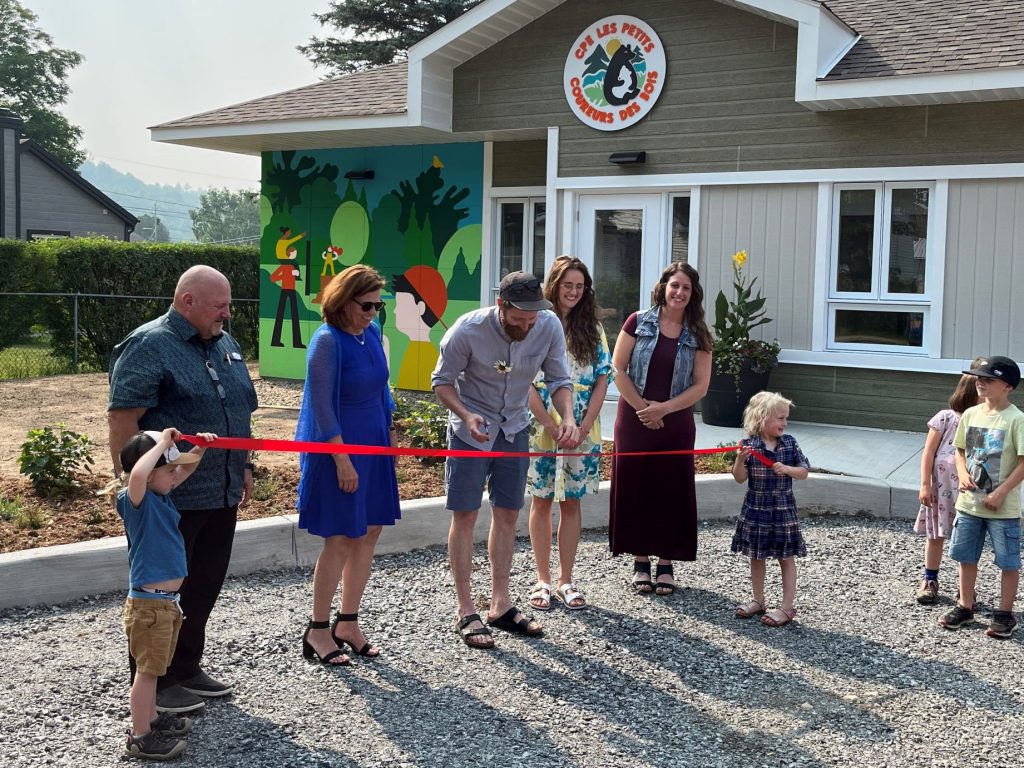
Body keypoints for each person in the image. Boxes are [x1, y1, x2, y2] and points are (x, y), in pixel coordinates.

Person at [108, 265, 258, 714]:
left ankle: (187, 666)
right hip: (173, 497)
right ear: (187, 302)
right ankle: (156, 682)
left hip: (222, 488)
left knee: (204, 585)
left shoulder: (223, 343)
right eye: (220, 306)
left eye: (229, 305)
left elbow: (240, 411)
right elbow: (123, 420)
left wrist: (244, 464)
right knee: (163, 593)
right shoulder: (149, 345)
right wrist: (136, 487)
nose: (228, 315)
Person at [432, 271, 579, 649]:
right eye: (519, 319)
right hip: (470, 431)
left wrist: (568, 417)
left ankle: (500, 604)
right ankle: (465, 608)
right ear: (502, 305)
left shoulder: (547, 326)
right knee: (465, 514)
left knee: (508, 514)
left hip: (514, 428)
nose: (527, 327)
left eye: (532, 319)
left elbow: (559, 381)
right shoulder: (467, 331)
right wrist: (465, 414)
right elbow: (441, 382)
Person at [295, 265, 401, 665]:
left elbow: (381, 389)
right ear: (344, 301)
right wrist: (342, 459)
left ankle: (348, 622)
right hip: (340, 448)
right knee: (340, 537)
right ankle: (317, 629)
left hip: (373, 444)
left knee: (369, 532)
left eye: (379, 305)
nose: (374, 312)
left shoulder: (370, 333)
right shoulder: (326, 341)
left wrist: (390, 429)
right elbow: (321, 407)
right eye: (367, 305)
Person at [609, 262, 712, 596]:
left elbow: (701, 386)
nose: (679, 292)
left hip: (675, 421)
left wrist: (663, 409)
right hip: (635, 419)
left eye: (686, 287)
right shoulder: (637, 322)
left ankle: (666, 562)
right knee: (636, 486)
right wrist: (644, 409)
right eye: (674, 285)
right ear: (663, 287)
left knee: (670, 489)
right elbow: (617, 369)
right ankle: (640, 561)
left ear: (692, 293)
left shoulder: (699, 335)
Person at [117, 428, 213, 761]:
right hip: (149, 606)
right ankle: (140, 735)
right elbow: (139, 475)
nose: (176, 477)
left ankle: (153, 720)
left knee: (155, 669)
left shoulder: (161, 496)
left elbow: (183, 469)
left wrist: (198, 447)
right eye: (168, 471)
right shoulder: (136, 501)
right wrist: (161, 444)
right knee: (146, 673)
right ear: (149, 470)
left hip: (166, 605)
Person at [526, 256, 612, 612]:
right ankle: (542, 579)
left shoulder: (592, 328)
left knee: (571, 502)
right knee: (542, 500)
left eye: (579, 286)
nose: (574, 292)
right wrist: (550, 423)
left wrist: (583, 425)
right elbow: (524, 379)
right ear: (554, 286)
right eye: (567, 285)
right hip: (542, 425)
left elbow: (603, 377)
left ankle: (566, 579)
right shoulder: (536, 323)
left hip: (582, 429)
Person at [940, 356, 1024, 639]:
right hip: (970, 505)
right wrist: (962, 473)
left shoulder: (1016, 420)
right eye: (978, 378)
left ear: (1008, 386)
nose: (980, 382)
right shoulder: (971, 414)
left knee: (1008, 561)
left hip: (1002, 508)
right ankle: (965, 605)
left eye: (988, 379)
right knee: (966, 556)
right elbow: (960, 450)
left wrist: (1001, 492)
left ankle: (1004, 613)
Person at [730, 392, 810, 627]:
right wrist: (739, 461)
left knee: (786, 557)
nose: (784, 423)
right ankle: (758, 599)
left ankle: (786, 607)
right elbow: (738, 478)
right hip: (756, 509)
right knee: (756, 556)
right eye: (780, 418)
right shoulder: (748, 446)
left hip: (783, 510)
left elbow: (804, 471)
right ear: (761, 418)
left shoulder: (790, 443)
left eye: (786, 418)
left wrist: (787, 469)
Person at [913, 361, 982, 604]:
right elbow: (929, 452)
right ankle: (929, 579)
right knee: (935, 535)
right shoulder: (945, 418)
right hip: (940, 491)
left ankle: (966, 588)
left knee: (967, 538)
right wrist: (925, 484)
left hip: (968, 491)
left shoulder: (983, 422)